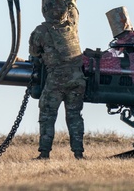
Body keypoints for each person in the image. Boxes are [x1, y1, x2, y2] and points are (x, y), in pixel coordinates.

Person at [28, 11, 86, 160]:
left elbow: (34, 52)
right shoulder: (71, 27)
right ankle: (78, 154)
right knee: (74, 116)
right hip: (77, 79)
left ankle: (44, 153)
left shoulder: (41, 30)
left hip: (57, 79)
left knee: (47, 114)